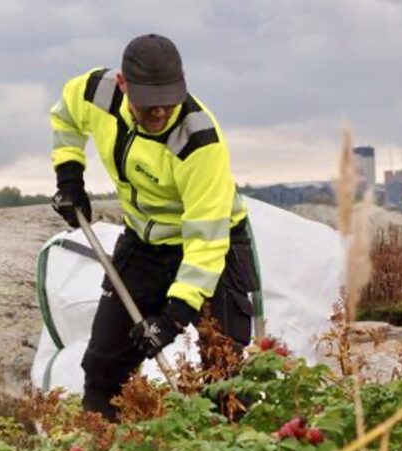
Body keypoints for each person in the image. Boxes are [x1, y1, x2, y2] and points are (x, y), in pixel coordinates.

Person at [49, 33, 259, 420]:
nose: (160, 112)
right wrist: (69, 177)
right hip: (143, 247)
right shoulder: (97, 92)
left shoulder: (199, 141)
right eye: (149, 105)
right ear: (123, 85)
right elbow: (64, 117)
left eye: (168, 101)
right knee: (102, 368)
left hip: (216, 248)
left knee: (223, 370)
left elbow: (206, 242)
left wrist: (174, 317)